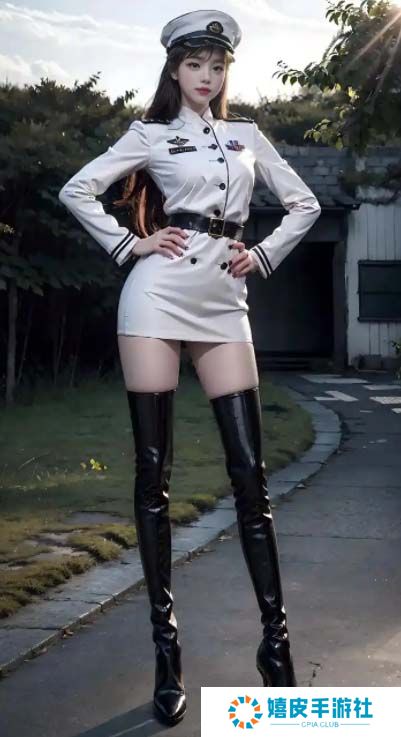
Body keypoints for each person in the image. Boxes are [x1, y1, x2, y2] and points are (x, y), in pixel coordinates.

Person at [58, 8, 321, 727]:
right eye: (195, 64)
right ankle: (165, 650)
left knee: (250, 477)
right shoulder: (149, 135)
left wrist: (261, 254)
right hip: (156, 295)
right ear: (174, 69)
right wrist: (130, 244)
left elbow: (303, 204)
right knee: (154, 476)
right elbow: (76, 189)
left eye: (217, 66)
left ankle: (275, 646)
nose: (207, 76)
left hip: (224, 301)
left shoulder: (247, 135)